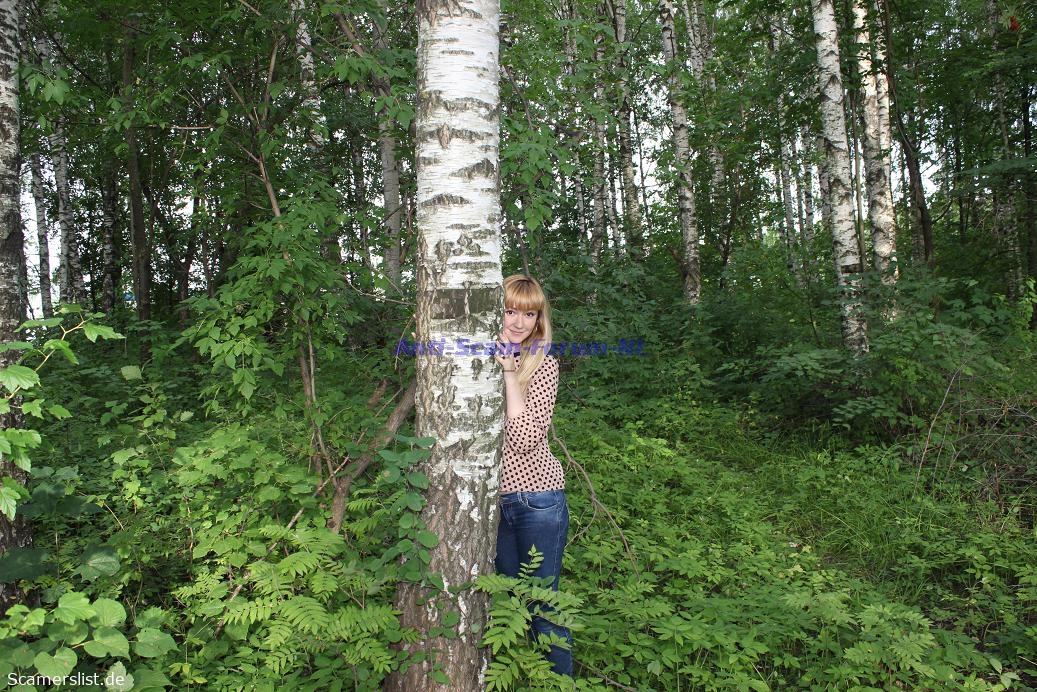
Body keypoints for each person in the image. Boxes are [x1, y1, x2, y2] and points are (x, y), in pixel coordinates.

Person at [493, 274, 573, 677]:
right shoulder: (479, 355)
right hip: (496, 504)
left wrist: (511, 374)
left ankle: (559, 683)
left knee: (544, 607)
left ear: (539, 320)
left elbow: (524, 439)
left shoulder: (543, 365)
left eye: (529, 314)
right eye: (510, 311)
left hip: (538, 500)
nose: (518, 322)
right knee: (509, 603)